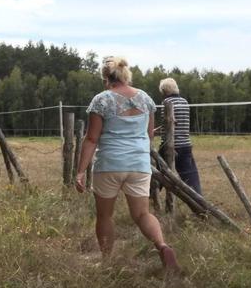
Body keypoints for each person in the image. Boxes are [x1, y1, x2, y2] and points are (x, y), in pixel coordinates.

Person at [75, 56, 180, 272]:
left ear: (106, 78)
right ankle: (162, 246)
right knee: (142, 214)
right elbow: (149, 135)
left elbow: (92, 138)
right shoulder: (146, 99)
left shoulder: (101, 100)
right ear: (125, 75)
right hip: (139, 164)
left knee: (105, 215)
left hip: (109, 164)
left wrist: (80, 171)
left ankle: (106, 262)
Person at [158, 77, 202, 195]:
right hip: (186, 144)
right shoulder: (184, 102)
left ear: (164, 90)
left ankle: (150, 196)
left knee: (157, 172)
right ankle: (200, 203)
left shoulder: (166, 103)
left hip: (170, 145)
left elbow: (167, 124)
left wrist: (155, 130)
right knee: (190, 176)